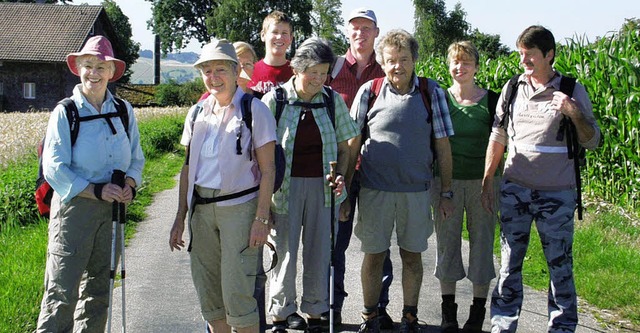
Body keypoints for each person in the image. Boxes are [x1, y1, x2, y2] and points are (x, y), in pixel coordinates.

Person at [481, 25, 601, 333]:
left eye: (530, 55)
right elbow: (498, 136)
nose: (524, 61)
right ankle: (503, 324)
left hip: (557, 195)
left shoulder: (572, 89)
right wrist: (487, 180)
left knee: (559, 266)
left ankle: (562, 326)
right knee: (509, 265)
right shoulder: (511, 88)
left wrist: (574, 113)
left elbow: (592, 141)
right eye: (521, 54)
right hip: (514, 191)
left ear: (549, 55)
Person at [36, 35, 145, 332]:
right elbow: (54, 168)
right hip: (74, 211)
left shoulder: (123, 110)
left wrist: (131, 185)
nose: (93, 73)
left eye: (100, 66)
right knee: (62, 291)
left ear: (111, 72)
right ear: (78, 68)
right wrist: (96, 190)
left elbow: (137, 157)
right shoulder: (66, 111)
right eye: (87, 65)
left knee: (99, 290)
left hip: (112, 212)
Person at [349, 29, 454, 333]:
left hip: (416, 192)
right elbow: (353, 143)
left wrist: (446, 191)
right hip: (374, 190)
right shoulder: (369, 91)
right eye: (391, 60)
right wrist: (344, 187)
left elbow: (443, 146)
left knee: (412, 256)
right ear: (382, 62)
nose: (398, 66)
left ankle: (410, 316)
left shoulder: (431, 92)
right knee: (373, 256)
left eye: (404, 59)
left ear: (414, 60)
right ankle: (369, 318)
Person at [169, 38, 276, 333]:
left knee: (238, 294)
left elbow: (268, 170)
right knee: (211, 296)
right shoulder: (197, 113)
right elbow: (188, 167)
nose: (213, 78)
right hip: (201, 211)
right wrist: (180, 216)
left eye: (220, 70)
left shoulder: (255, 110)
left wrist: (261, 218)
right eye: (207, 71)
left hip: (239, 210)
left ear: (235, 69)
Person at [261, 37, 359, 333]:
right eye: (312, 72)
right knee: (284, 251)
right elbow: (260, 152)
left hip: (323, 189)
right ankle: (282, 311)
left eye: (323, 72)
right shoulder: (275, 100)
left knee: (319, 251)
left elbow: (347, 144)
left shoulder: (330, 100)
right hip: (283, 189)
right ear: (297, 69)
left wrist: (341, 175)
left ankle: (316, 310)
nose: (318, 79)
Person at [325, 7, 393, 329]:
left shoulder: (389, 70)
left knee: (379, 246)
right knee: (335, 244)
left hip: (377, 171)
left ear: (376, 33)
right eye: (354, 28)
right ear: (347, 32)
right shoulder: (333, 70)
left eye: (366, 28)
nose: (360, 34)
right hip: (340, 171)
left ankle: (378, 307)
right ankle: (332, 308)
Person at [432, 41, 500, 333]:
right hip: (445, 182)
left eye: (467, 62)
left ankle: (476, 313)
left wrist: (488, 184)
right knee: (447, 244)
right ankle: (449, 313)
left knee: (482, 244)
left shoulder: (493, 101)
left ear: (476, 66)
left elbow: (500, 143)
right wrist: (444, 189)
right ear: (449, 66)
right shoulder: (439, 99)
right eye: (455, 62)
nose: (460, 67)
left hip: (483, 183)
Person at [247, 10, 294, 98]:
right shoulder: (249, 71)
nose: (279, 37)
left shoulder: (297, 73)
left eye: (284, 33)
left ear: (291, 38)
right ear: (263, 35)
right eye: (275, 32)